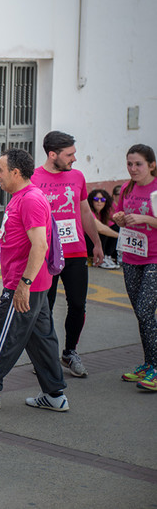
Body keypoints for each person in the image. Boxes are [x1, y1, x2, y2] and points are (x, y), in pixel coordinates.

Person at [0, 148, 69, 412]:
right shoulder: (21, 197)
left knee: (2, 336)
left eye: (0, 170)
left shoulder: (30, 199)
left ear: (15, 172)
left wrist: (23, 284)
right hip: (33, 284)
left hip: (24, 284)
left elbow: (40, 245)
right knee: (42, 339)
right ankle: (54, 394)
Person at [31, 130, 103, 378]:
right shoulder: (33, 178)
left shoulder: (77, 177)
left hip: (75, 251)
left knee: (77, 304)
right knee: (44, 307)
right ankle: (45, 354)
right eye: (69, 154)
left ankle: (70, 352)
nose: (74, 159)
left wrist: (97, 243)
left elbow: (85, 213)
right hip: (45, 255)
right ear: (52, 155)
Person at [111, 144, 157, 391]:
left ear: (151, 164)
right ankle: (149, 363)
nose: (133, 168)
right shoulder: (128, 188)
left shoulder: (156, 189)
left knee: (145, 309)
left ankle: (156, 366)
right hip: (131, 256)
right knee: (141, 314)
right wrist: (118, 219)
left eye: (138, 164)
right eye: (129, 164)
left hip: (154, 258)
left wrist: (146, 219)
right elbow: (119, 214)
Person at [86, 189, 119, 269]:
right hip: (87, 243)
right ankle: (101, 258)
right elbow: (100, 228)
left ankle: (108, 256)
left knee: (115, 227)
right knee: (104, 231)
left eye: (103, 199)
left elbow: (115, 222)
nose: (99, 202)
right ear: (91, 201)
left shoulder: (104, 212)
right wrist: (121, 237)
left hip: (96, 243)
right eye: (96, 199)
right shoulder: (88, 211)